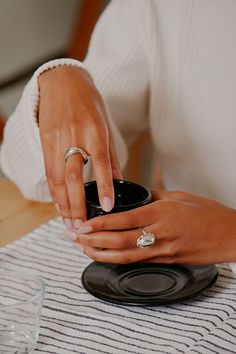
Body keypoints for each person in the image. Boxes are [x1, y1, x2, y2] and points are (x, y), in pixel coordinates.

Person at [1, 0, 236, 271]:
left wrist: (229, 236)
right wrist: (57, 79)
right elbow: (36, 180)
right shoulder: (163, 7)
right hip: (178, 284)